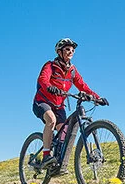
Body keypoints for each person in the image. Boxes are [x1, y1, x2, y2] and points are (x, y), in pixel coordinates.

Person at [32, 38, 108, 168]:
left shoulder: (72, 70)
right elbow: (43, 79)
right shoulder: (50, 65)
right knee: (51, 120)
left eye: (73, 50)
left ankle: (56, 161)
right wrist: (50, 87)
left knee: (64, 130)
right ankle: (45, 156)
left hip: (59, 105)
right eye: (67, 49)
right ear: (60, 51)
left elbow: (83, 86)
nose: (70, 52)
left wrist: (97, 97)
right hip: (42, 101)